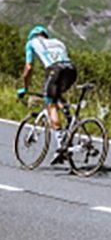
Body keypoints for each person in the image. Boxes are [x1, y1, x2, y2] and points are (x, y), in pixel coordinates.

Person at [19, 25, 77, 164]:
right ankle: (70, 120)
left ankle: (60, 144)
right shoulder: (58, 42)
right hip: (71, 70)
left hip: (54, 70)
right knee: (57, 97)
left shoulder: (32, 43)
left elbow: (28, 68)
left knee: (50, 103)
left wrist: (25, 88)